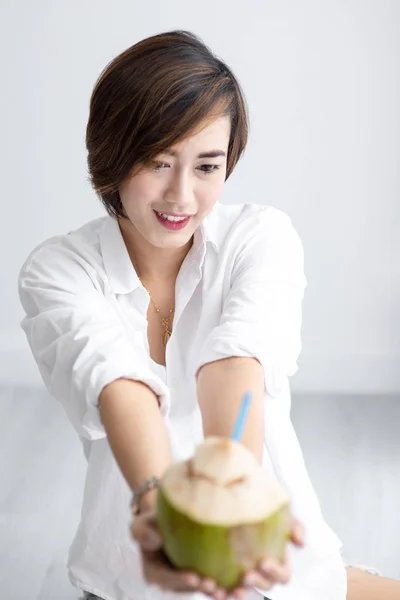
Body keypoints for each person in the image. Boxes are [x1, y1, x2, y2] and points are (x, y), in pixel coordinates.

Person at [18, 29, 399, 600]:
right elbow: (117, 384)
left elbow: (236, 361)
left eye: (206, 166)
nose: (181, 195)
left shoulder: (259, 237)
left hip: (270, 560)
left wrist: (231, 512)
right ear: (112, 156)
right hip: (140, 571)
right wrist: (161, 513)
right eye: (157, 161)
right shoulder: (58, 269)